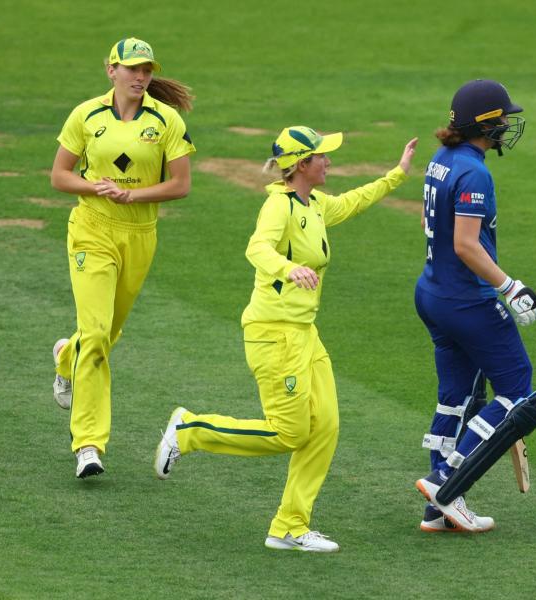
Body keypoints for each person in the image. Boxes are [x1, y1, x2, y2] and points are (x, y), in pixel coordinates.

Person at [152, 126, 418, 553]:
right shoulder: (279, 206)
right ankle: (190, 431)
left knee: (326, 426)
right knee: (289, 433)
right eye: (321, 157)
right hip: (273, 335)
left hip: (304, 334)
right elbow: (257, 248)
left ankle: (289, 526)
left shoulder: (313, 203)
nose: (329, 162)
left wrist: (397, 174)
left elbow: (352, 203)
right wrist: (287, 268)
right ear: (300, 165)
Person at [49, 37, 195, 479]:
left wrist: (133, 194)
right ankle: (89, 445)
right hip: (91, 230)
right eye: (132, 68)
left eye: (146, 69)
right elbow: (59, 176)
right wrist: (96, 187)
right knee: (95, 334)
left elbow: (180, 185)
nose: (140, 76)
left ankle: (64, 358)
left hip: (139, 235)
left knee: (106, 334)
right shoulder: (86, 115)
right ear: (110, 70)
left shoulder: (165, 120)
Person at [412, 80, 536, 533]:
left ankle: (440, 508)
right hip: (466, 301)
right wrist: (512, 288)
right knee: (515, 392)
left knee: (456, 396)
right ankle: (446, 481)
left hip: (432, 293)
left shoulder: (442, 161)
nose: (508, 124)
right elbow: (467, 244)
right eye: (503, 118)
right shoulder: (475, 173)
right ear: (486, 124)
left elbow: (428, 222)